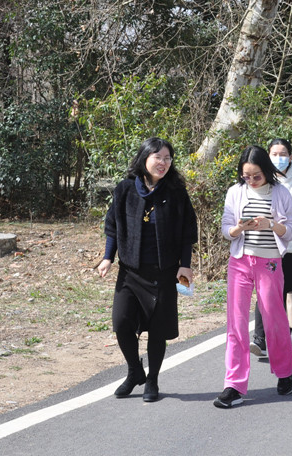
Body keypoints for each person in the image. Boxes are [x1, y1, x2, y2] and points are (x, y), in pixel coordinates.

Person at [99, 137, 197, 403]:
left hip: (164, 272)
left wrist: (185, 265)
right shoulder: (125, 189)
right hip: (130, 271)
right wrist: (108, 258)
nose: (163, 163)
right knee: (121, 322)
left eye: (167, 158)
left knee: (158, 329)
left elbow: (187, 232)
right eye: (158, 157)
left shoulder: (176, 192)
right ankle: (135, 371)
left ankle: (152, 379)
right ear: (144, 158)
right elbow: (113, 226)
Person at [213, 145, 292, 409]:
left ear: (267, 172)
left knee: (274, 320)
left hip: (270, 263)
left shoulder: (281, 193)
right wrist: (238, 228)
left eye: (256, 176)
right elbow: (226, 229)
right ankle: (234, 385)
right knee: (236, 324)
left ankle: (285, 373)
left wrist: (270, 224)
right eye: (246, 175)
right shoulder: (235, 192)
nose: (250, 180)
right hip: (240, 262)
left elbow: (291, 230)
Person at [251, 138, 292, 357]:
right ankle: (260, 339)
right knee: (264, 292)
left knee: (286, 294)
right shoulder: (261, 179)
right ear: (267, 156)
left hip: (291, 248)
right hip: (266, 246)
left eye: (283, 154)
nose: (279, 158)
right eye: (275, 154)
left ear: (291, 156)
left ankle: (282, 338)